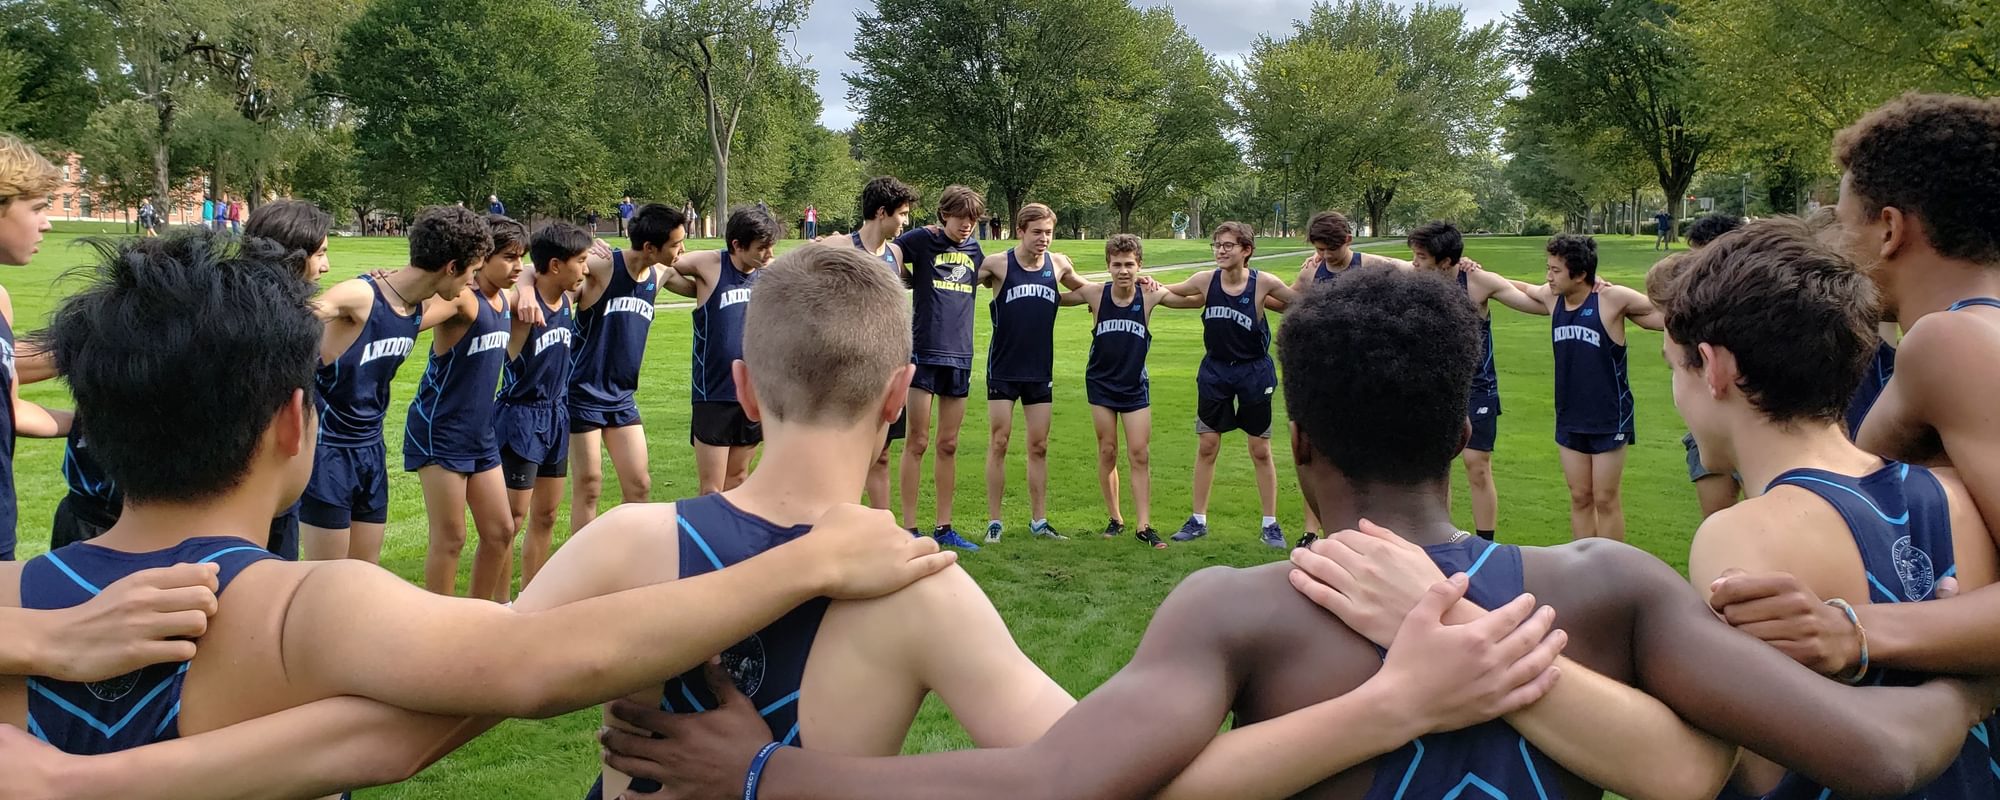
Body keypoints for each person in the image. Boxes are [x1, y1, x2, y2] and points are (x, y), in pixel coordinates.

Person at [602, 266, 2000, 800]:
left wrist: (765, 778)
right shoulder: (1614, 590)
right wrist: (1971, 662)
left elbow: (1054, 792)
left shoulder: (1239, 612)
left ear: (1301, 444)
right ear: (1471, 429)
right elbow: (1878, 755)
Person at [0, 229, 953, 795]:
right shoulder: (308, 609)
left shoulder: (19, 604)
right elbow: (542, 661)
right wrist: (806, 562)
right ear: (295, 422)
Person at [1665, 218, 2000, 799]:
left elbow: (1762, 770)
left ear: (1714, 367)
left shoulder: (1741, 536)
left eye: (1675, 368)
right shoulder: (1958, 498)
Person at [1707, 94, 2000, 687]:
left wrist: (1852, 630)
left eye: (1843, 227)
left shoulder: (1951, 342)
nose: (1834, 248)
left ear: (1890, 229)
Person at [46, 199, 335, 558]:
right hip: (121, 512)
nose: (326, 265)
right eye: (320, 252)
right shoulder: (221, 326)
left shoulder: (236, 317)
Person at [298, 206, 491, 564]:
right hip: (328, 453)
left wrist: (526, 284)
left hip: (371, 452)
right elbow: (292, 313)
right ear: (451, 267)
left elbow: (508, 285)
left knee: (363, 576)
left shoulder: (418, 308)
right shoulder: (361, 296)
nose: (473, 282)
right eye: (472, 272)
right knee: (325, 583)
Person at [517, 204, 685, 534]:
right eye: (676, 244)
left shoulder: (661, 272)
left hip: (622, 398)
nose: (682, 250)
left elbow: (726, 264)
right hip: (583, 393)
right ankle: (583, 567)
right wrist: (524, 291)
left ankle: (625, 562)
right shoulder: (605, 266)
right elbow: (536, 269)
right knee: (590, 485)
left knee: (639, 486)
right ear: (650, 248)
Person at [1506, 234, 1664, 541]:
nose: (1548, 276)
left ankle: (1613, 568)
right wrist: (1472, 270)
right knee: (1579, 496)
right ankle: (1584, 563)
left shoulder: (1611, 298)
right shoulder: (1553, 298)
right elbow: (1515, 288)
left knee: (1605, 498)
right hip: (1570, 415)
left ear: (1579, 275)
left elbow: (1659, 309)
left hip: (1609, 418)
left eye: (1555, 270)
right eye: (1548, 268)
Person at [1155, 222, 1300, 548]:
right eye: (1217, 245)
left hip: (1253, 373)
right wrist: (1147, 282)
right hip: (1215, 372)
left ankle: (1270, 524)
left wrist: (1310, 279)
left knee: (1259, 449)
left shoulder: (1264, 282)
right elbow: (1172, 291)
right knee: (1207, 445)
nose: (1220, 250)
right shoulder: (1206, 280)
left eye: (1228, 245)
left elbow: (1297, 302)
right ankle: (1198, 520)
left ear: (1246, 250)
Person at [1403, 221, 1549, 544]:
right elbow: (1368, 264)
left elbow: (1541, 304)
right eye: (1414, 255)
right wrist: (1317, 261)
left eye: (1421, 257)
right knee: (1435, 469)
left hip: (1477, 387)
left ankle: (1485, 544)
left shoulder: (1477, 283)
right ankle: (1441, 538)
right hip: (1435, 388)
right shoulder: (1416, 281)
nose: (1414, 262)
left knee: (1476, 465)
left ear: (1445, 261)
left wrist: (1586, 287)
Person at [407, 214, 520, 598]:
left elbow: (543, 279)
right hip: (439, 429)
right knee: (451, 537)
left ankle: (483, 615)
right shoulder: (462, 301)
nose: (518, 267)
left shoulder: (507, 296)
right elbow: (412, 311)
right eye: (508, 258)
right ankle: (436, 627)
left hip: (479, 433)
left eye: (521, 257)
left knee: (501, 531)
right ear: (481, 259)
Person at [980, 203, 1086, 543]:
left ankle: (1039, 521)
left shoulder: (1058, 264)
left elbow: (1085, 290)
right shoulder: (998, 264)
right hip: (1003, 368)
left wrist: (1132, 284)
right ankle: (994, 521)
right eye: (1037, 232)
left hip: (1040, 370)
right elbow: (959, 281)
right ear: (1021, 230)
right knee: (999, 441)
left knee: (1038, 446)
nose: (1044, 239)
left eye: (1049, 233)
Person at [1071, 234, 1184, 547]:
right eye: (1117, 264)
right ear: (1108, 265)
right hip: (1101, 384)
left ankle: (1144, 525)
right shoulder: (1096, 294)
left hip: (1134, 386)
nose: (1123, 270)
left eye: (1129, 264)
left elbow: (1191, 298)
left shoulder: (1149, 296)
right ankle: (1115, 518)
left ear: (1140, 265)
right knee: (1108, 450)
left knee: (1139, 453)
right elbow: (1055, 295)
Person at [496, 221, 592, 593]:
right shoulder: (521, 309)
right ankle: (500, 603)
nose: (585, 269)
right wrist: (522, 289)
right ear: (555, 266)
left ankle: (530, 596)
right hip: (520, 417)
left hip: (556, 415)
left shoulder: (566, 299)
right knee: (511, 521)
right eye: (579, 261)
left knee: (547, 515)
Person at [895, 185, 988, 549]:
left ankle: (944, 527)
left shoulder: (975, 250)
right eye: (960, 217)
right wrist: (908, 278)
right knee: (916, 441)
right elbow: (889, 253)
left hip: (960, 357)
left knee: (948, 444)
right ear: (944, 214)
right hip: (924, 355)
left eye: (972, 219)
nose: (966, 225)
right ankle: (908, 527)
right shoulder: (923, 239)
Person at [664, 206, 778, 495]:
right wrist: (696, 290)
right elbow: (666, 264)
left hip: (753, 395)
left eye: (771, 247)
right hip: (713, 394)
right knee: (712, 489)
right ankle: (707, 540)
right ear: (737, 245)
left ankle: (731, 541)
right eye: (762, 248)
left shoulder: (768, 275)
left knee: (738, 480)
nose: (769, 255)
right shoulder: (711, 265)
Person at [0, 134, 73, 561]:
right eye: (38, 209)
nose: (46, 223)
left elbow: (12, 410)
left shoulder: (1, 300)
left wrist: (93, 421)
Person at [1667, 213, 1749, 519]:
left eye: (1700, 254)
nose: (1694, 264)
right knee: (1717, 520)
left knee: (1763, 518)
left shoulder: (1759, 301)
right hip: (1705, 422)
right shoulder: (1691, 302)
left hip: (1752, 424)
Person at [844, 176, 917, 511]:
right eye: (901, 214)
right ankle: (842, 524)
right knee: (848, 454)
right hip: (851, 372)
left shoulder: (895, 255)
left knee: (883, 453)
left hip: (888, 369)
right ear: (882, 212)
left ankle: (883, 525)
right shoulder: (843, 249)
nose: (905, 221)